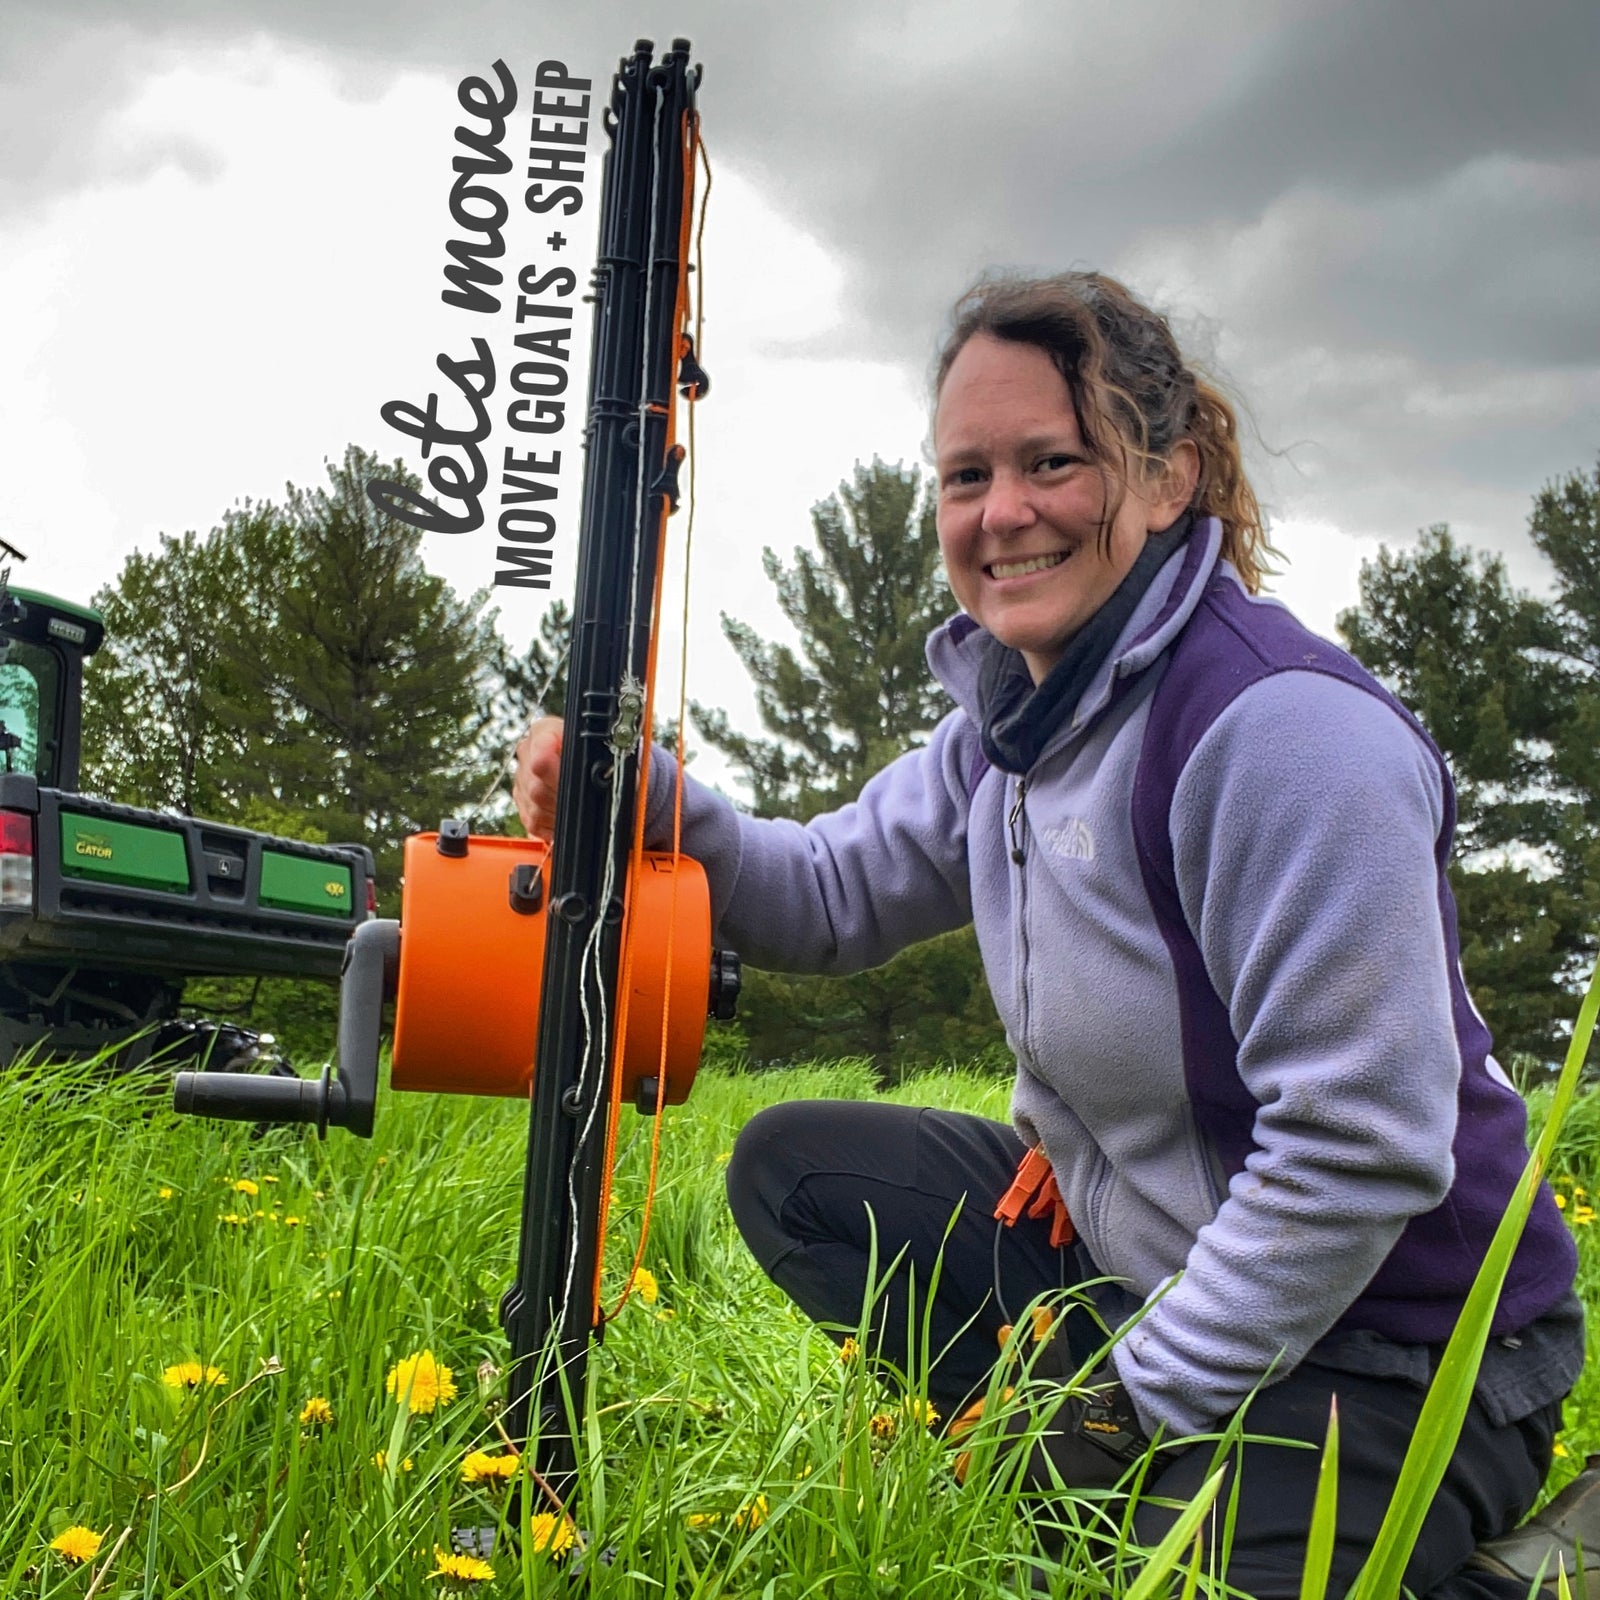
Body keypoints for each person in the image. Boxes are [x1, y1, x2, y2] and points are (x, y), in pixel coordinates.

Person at [514, 271, 1585, 1598]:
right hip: (1157, 1275)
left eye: (1051, 463)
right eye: (966, 476)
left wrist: (1120, 1408)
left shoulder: (1281, 734)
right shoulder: (1011, 725)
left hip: (1396, 1342)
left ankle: (1531, 1565)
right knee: (798, 1173)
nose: (1002, 512)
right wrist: (657, 804)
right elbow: (831, 895)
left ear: (1169, 476)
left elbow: (1359, 1150)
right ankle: (1099, 1475)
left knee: (1164, 1578)